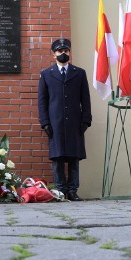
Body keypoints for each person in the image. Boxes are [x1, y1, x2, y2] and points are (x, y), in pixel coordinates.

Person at [37, 38, 92, 201]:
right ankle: (60, 191)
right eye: (60, 51)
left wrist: (86, 120)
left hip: (75, 121)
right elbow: (42, 100)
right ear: (54, 54)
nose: (63, 53)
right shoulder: (46, 74)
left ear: (69, 52)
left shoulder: (79, 73)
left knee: (74, 158)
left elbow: (86, 98)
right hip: (55, 122)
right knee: (58, 158)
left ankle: (73, 191)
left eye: (66, 51)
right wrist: (45, 122)